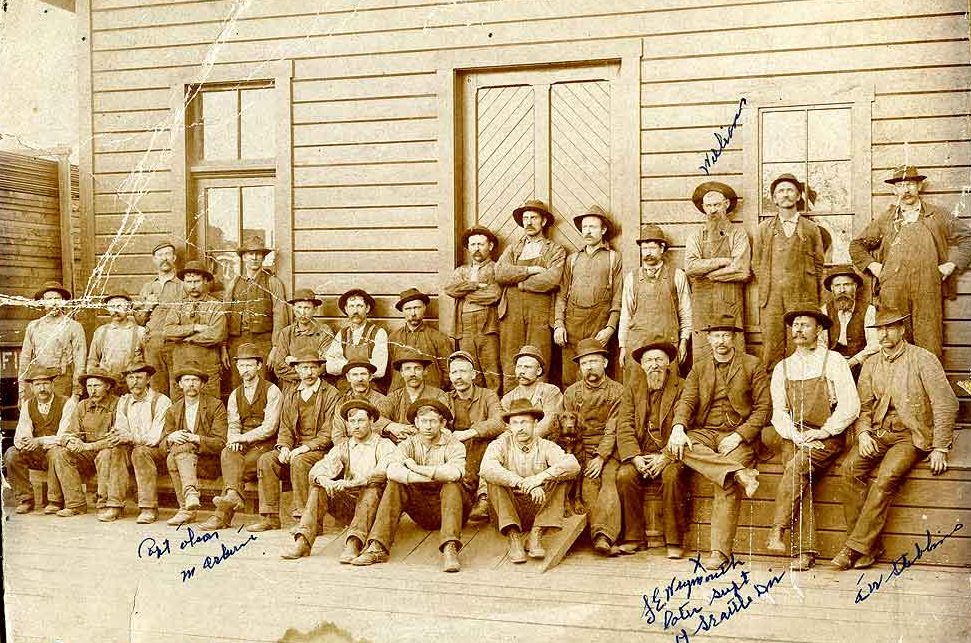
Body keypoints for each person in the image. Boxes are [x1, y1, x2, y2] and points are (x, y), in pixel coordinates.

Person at [832, 308, 958, 570]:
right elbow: (863, 407)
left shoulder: (923, 359)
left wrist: (940, 447)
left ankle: (852, 548)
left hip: (910, 435)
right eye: (880, 329)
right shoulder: (871, 363)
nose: (884, 334)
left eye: (890, 328)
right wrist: (863, 434)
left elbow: (946, 403)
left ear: (902, 330)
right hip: (879, 433)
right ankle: (869, 547)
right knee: (849, 470)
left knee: (885, 478)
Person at [666, 312, 767, 568]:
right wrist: (678, 427)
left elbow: (763, 408)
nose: (721, 341)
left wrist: (738, 436)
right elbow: (687, 401)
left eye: (725, 335)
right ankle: (740, 472)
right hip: (707, 432)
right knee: (680, 445)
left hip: (739, 436)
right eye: (716, 336)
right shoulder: (700, 367)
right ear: (709, 339)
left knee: (725, 483)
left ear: (733, 338)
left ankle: (719, 552)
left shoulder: (752, 365)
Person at [764, 309, 860, 570]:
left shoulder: (833, 360)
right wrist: (795, 435)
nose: (798, 329)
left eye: (805, 325)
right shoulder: (783, 367)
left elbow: (851, 406)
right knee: (796, 470)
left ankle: (778, 529)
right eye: (795, 325)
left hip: (827, 436)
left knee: (795, 467)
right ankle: (804, 552)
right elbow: (779, 412)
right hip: (794, 436)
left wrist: (824, 431)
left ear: (819, 330)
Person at [849, 165, 971, 360]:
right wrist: (875, 267)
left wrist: (951, 264)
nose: (905, 190)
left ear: (919, 186)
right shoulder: (888, 219)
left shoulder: (937, 215)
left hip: (927, 288)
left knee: (929, 344)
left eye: (910, 184)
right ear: (894, 190)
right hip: (893, 290)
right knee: (895, 341)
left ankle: (927, 380)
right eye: (900, 185)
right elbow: (857, 246)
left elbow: (967, 238)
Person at [350, 399, 469, 573]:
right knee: (394, 484)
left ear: (442, 423)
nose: (428, 426)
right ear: (416, 423)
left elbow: (454, 473)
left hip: (453, 508)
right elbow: (392, 471)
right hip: (421, 509)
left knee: (452, 486)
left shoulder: (454, 445)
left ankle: (450, 548)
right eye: (424, 421)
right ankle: (378, 546)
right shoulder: (407, 444)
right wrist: (432, 476)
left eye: (433, 421)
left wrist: (416, 468)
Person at [281, 399, 396, 563]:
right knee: (319, 488)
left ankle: (353, 543)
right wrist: (325, 480)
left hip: (375, 508)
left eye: (361, 420)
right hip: (349, 506)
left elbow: (383, 471)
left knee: (371, 490)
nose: (356, 426)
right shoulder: (343, 447)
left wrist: (352, 483)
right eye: (352, 421)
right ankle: (303, 541)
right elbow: (318, 469)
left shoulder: (384, 445)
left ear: (371, 421)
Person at [480, 398, 581, 563]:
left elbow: (573, 465)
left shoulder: (546, 445)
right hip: (509, 509)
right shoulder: (499, 445)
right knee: (494, 480)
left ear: (535, 423)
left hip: (539, 508)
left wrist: (538, 478)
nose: (520, 428)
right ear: (509, 427)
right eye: (515, 423)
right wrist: (522, 482)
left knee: (561, 476)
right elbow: (486, 468)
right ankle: (514, 538)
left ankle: (536, 533)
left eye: (525, 422)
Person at [248, 350, 339, 531]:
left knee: (299, 461)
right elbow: (286, 427)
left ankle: (308, 520)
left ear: (320, 369)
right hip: (295, 448)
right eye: (304, 368)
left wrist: (304, 448)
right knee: (267, 460)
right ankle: (270, 517)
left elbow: (328, 432)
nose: (309, 372)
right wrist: (283, 447)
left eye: (313, 367)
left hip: (321, 451)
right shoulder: (291, 393)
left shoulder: (331, 393)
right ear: (297, 369)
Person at [615, 338, 689, 558]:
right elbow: (624, 425)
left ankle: (674, 541)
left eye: (659, 359)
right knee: (625, 475)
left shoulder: (682, 387)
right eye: (649, 361)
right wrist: (635, 457)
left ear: (668, 362)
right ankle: (634, 537)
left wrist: (665, 457)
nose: (654, 365)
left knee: (672, 476)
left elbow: (687, 423)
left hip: (671, 454)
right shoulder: (632, 389)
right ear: (642, 365)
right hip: (641, 453)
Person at [198, 343, 283, 531]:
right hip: (244, 442)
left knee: (237, 469)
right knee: (228, 453)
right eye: (242, 365)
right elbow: (233, 424)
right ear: (237, 367)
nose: (245, 370)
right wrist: (233, 439)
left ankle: (222, 515)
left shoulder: (272, 390)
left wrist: (241, 439)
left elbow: (270, 427)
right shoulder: (235, 394)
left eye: (250, 365)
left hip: (266, 443)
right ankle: (232, 497)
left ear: (259, 366)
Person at [753, 174, 826, 371]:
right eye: (780, 191)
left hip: (802, 296)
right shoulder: (763, 229)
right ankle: (774, 388)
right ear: (774, 199)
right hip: (772, 298)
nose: (785, 195)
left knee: (801, 343)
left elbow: (819, 264)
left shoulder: (811, 229)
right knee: (772, 346)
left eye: (790, 190)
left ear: (799, 196)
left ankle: (803, 384)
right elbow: (756, 263)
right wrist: (770, 284)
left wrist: (813, 294)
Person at [560, 338, 625, 555]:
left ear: (604, 363)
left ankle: (603, 536)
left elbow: (613, 428)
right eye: (585, 363)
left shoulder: (617, 391)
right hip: (579, 449)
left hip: (609, 449)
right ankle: (594, 536)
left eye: (594, 361)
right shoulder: (571, 393)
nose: (589, 367)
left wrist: (601, 456)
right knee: (588, 486)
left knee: (609, 480)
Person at [494, 199, 567, 392]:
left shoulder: (555, 249)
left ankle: (539, 406)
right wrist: (530, 270)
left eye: (533, 218)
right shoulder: (513, 248)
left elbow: (552, 278)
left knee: (539, 359)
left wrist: (519, 283)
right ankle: (511, 405)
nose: (528, 222)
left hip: (540, 313)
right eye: (525, 218)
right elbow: (499, 272)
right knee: (510, 360)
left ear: (543, 221)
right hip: (511, 313)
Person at [553, 205, 623, 385]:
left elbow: (617, 298)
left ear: (603, 230)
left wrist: (610, 328)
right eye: (585, 227)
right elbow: (561, 295)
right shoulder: (573, 259)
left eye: (592, 227)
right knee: (569, 379)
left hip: (599, 325)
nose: (588, 231)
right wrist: (559, 324)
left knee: (596, 376)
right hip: (572, 326)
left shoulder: (613, 258)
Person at [48, 368, 125, 518]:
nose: (92, 391)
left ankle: (104, 504)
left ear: (108, 386)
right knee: (59, 453)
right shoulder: (82, 405)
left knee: (106, 454)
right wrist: (71, 441)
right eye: (89, 386)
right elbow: (70, 432)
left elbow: (115, 438)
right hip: (86, 452)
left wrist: (87, 446)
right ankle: (75, 504)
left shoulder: (118, 404)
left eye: (97, 386)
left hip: (111, 450)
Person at [684, 182, 751, 355]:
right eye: (708, 206)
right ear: (703, 208)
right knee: (703, 351)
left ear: (726, 204)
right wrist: (723, 261)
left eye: (717, 205)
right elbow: (690, 267)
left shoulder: (738, 234)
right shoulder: (696, 236)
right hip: (702, 304)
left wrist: (708, 274)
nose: (712, 210)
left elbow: (742, 270)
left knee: (733, 349)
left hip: (730, 302)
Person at [160, 362, 228, 526]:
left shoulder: (215, 405)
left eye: (195, 380)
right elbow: (162, 445)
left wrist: (195, 438)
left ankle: (187, 508)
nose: (191, 384)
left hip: (209, 463)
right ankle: (189, 498)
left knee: (177, 453)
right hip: (183, 461)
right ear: (180, 384)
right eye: (186, 380)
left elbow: (221, 442)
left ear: (202, 384)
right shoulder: (173, 410)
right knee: (172, 456)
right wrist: (171, 437)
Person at [4, 365, 76, 514]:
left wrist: (39, 441)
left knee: (56, 452)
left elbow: (64, 436)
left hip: (60, 452)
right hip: (37, 453)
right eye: (37, 385)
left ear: (52, 384)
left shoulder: (67, 403)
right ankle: (25, 499)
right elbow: (21, 433)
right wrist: (25, 442)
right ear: (31, 387)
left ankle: (55, 501)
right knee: (12, 454)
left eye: (45, 384)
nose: (42, 389)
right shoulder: (28, 405)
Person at [618, 224, 692, 369]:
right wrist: (623, 346)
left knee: (668, 381)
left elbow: (686, 313)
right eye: (644, 249)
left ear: (662, 248)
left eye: (652, 248)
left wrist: (684, 342)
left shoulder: (677, 276)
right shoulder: (631, 278)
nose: (648, 253)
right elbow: (626, 315)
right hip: (637, 346)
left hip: (668, 346)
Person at [445, 350, 505, 522]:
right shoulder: (446, 398)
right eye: (454, 372)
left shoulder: (488, 395)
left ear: (473, 375)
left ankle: (483, 497)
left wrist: (469, 433)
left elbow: (499, 422)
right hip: (455, 451)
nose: (458, 377)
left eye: (463, 371)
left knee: (490, 444)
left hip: (480, 448)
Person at [224, 235, 289, 389]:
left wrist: (275, 348)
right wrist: (223, 347)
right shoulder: (234, 283)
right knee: (238, 384)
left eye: (258, 254)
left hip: (263, 342)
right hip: (237, 342)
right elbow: (225, 315)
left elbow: (280, 316)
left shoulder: (272, 282)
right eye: (250, 254)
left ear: (263, 257)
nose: (254, 257)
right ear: (244, 257)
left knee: (262, 384)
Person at [443, 226, 502, 392]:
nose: (476, 248)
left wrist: (466, 295)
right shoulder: (461, 270)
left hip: (488, 327)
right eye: (473, 244)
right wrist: (474, 285)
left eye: (481, 244)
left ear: (490, 246)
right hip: (464, 327)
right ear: (468, 247)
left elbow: (494, 294)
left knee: (491, 368)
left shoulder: (496, 268)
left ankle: (493, 402)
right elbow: (450, 289)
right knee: (470, 366)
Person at [114, 361, 172, 524]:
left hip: (157, 452)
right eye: (130, 378)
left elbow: (154, 438)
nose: (134, 382)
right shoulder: (124, 401)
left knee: (140, 452)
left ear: (148, 380)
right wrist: (121, 436)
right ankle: (115, 505)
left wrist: (130, 437)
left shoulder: (161, 401)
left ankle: (148, 507)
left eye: (139, 378)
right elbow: (121, 429)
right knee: (115, 451)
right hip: (133, 449)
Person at [163, 260, 227, 399]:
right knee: (179, 403)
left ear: (205, 281)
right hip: (181, 364)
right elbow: (168, 331)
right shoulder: (178, 306)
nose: (192, 286)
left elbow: (216, 335)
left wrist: (187, 338)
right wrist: (194, 327)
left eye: (197, 281)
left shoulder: (215, 306)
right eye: (189, 282)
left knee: (210, 403)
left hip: (207, 364)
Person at [19, 281, 86, 400]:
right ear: (42, 302)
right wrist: (22, 390)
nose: (54, 302)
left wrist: (76, 392)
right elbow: (25, 359)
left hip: (62, 381)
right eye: (49, 299)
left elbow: (80, 362)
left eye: (57, 299)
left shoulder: (74, 326)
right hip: (38, 381)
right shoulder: (33, 326)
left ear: (63, 301)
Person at [136, 240, 184, 396]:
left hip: (176, 345)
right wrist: (148, 306)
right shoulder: (147, 287)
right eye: (160, 255)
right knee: (157, 390)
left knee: (178, 389)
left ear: (174, 258)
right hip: (153, 346)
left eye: (168, 254)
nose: (164, 258)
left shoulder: (183, 286)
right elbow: (139, 320)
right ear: (154, 260)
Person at [388, 288, 454, 391]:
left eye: (417, 308)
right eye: (408, 309)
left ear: (424, 308)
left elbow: (448, 370)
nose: (413, 313)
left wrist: (437, 390)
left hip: (430, 393)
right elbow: (389, 371)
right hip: (399, 393)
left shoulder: (438, 337)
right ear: (403, 311)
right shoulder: (393, 337)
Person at [325, 288, 390, 391]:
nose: (355, 311)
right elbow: (329, 367)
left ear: (367, 308)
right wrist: (366, 364)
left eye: (359, 306)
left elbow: (379, 370)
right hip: (344, 388)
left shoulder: (379, 333)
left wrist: (345, 364)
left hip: (370, 388)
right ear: (346, 309)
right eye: (351, 306)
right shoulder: (342, 334)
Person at [819, 265, 878, 377]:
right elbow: (821, 343)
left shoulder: (869, 310)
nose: (842, 290)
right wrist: (832, 362)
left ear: (855, 286)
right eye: (837, 286)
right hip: (833, 364)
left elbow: (874, 344)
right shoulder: (824, 311)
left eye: (846, 285)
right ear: (832, 289)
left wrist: (853, 362)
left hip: (860, 364)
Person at [271, 288, 334, 394]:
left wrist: (294, 362)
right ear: (293, 309)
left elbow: (324, 365)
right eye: (299, 308)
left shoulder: (324, 332)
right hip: (291, 387)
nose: (302, 312)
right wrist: (310, 370)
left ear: (315, 309)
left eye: (307, 308)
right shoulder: (286, 333)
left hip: (317, 387)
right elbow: (279, 367)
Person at [379, 351, 450, 443]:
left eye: (417, 368)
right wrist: (391, 426)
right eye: (408, 369)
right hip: (399, 446)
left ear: (425, 371)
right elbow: (376, 419)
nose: (412, 373)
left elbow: (444, 425)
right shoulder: (394, 397)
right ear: (402, 373)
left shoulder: (438, 395)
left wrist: (417, 435)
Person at [499, 345, 563, 438]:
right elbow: (506, 427)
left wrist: (526, 439)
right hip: (517, 442)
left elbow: (548, 423)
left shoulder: (551, 392)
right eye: (519, 367)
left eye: (527, 367)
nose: (522, 371)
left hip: (545, 442)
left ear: (538, 371)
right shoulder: (508, 398)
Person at [87, 292, 145, 384]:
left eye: (120, 306)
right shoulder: (101, 332)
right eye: (112, 306)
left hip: (132, 384)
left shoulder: (140, 332)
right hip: (107, 383)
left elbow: (148, 362)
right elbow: (93, 360)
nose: (115, 310)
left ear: (128, 308)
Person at [330, 360, 389, 447]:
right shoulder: (341, 403)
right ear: (348, 377)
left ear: (370, 377)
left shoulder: (382, 401)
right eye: (355, 375)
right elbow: (337, 436)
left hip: (374, 449)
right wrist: (354, 449)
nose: (360, 379)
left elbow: (383, 433)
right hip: (348, 449)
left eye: (363, 374)